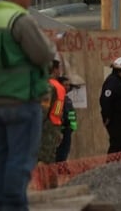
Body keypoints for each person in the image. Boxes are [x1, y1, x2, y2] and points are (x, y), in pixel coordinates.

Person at [0, 0, 56, 211]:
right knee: (20, 159)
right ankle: (14, 206)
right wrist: (51, 46)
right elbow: (42, 54)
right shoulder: (20, 20)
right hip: (22, 99)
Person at [37, 59, 67, 188]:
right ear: (54, 70)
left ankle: (45, 187)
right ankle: (53, 186)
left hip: (46, 127)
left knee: (43, 159)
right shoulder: (60, 87)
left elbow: (43, 110)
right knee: (51, 158)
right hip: (55, 125)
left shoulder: (48, 86)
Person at [55, 74, 83, 165]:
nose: (67, 87)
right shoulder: (58, 99)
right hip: (61, 130)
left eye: (68, 85)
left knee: (65, 150)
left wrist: (72, 127)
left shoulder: (67, 99)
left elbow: (71, 114)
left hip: (68, 130)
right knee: (59, 152)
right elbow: (56, 114)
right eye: (65, 85)